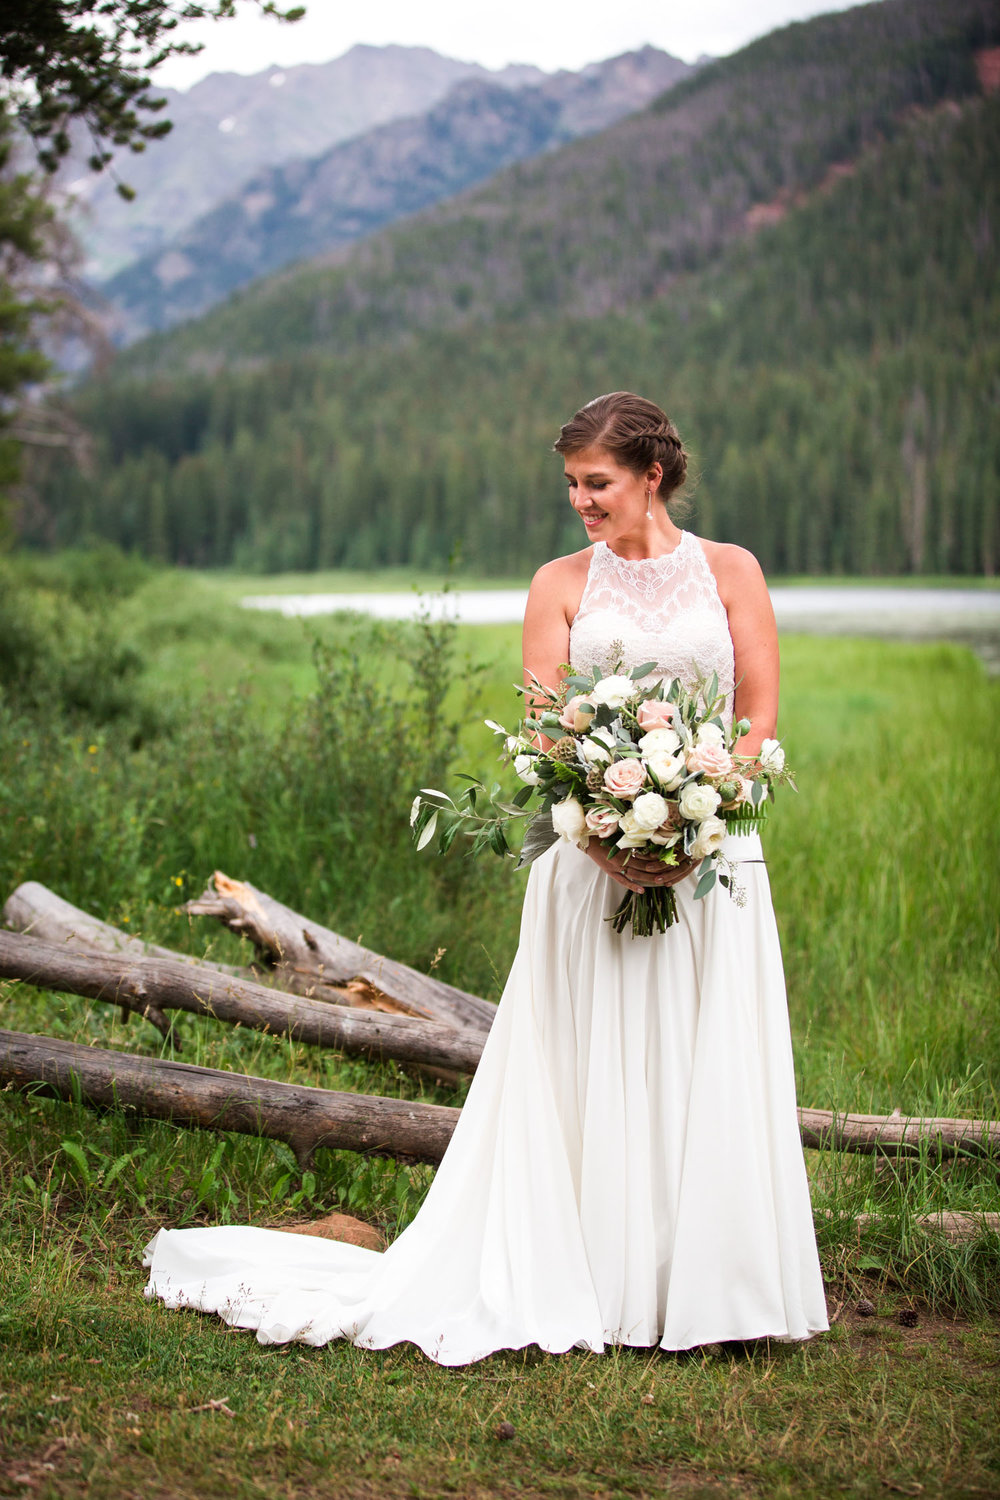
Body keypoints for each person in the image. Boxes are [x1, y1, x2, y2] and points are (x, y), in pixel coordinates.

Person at [144, 391, 829, 1361]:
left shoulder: (731, 571)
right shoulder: (558, 583)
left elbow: (757, 716)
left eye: (596, 484)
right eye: (570, 486)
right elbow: (547, 733)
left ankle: (712, 1296)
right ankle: (599, 1281)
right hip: (590, 868)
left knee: (703, 1057)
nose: (581, 502)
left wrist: (697, 817)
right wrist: (602, 838)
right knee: (590, 1064)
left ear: (652, 475)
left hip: (714, 860)